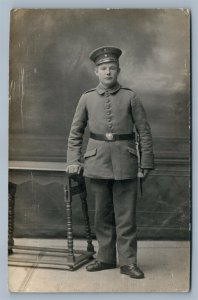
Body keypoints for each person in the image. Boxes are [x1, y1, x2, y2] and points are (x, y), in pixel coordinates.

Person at [66, 46, 154, 279]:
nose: (108, 72)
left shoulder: (130, 97)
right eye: (103, 68)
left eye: (112, 68)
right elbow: (76, 132)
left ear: (118, 70)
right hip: (97, 162)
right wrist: (73, 160)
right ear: (96, 71)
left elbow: (144, 132)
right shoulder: (87, 98)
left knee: (126, 215)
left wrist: (146, 162)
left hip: (126, 162)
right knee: (102, 215)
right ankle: (105, 258)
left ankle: (128, 262)